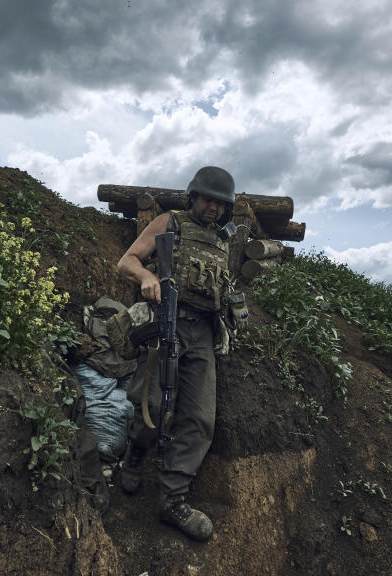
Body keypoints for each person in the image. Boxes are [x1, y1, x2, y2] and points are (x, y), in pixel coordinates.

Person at [115, 166, 236, 542]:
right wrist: (148, 278)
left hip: (203, 333)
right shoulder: (172, 223)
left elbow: (221, 288)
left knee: (200, 418)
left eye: (220, 203)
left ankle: (173, 497)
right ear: (193, 197)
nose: (212, 208)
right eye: (207, 200)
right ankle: (136, 452)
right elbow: (126, 262)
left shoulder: (222, 242)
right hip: (167, 321)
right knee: (152, 403)